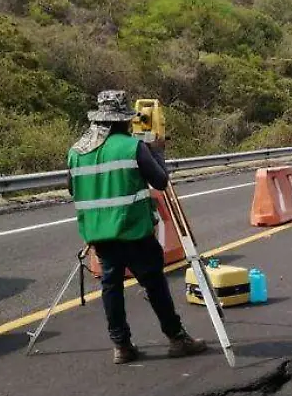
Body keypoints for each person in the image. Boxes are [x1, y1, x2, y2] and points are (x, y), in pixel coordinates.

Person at [66, 90, 207, 365]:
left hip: (99, 235)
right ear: (121, 121)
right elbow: (160, 181)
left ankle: (121, 345)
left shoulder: (76, 152)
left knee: (111, 285)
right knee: (154, 283)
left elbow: (73, 188)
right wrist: (157, 152)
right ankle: (177, 337)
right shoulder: (132, 147)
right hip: (134, 230)